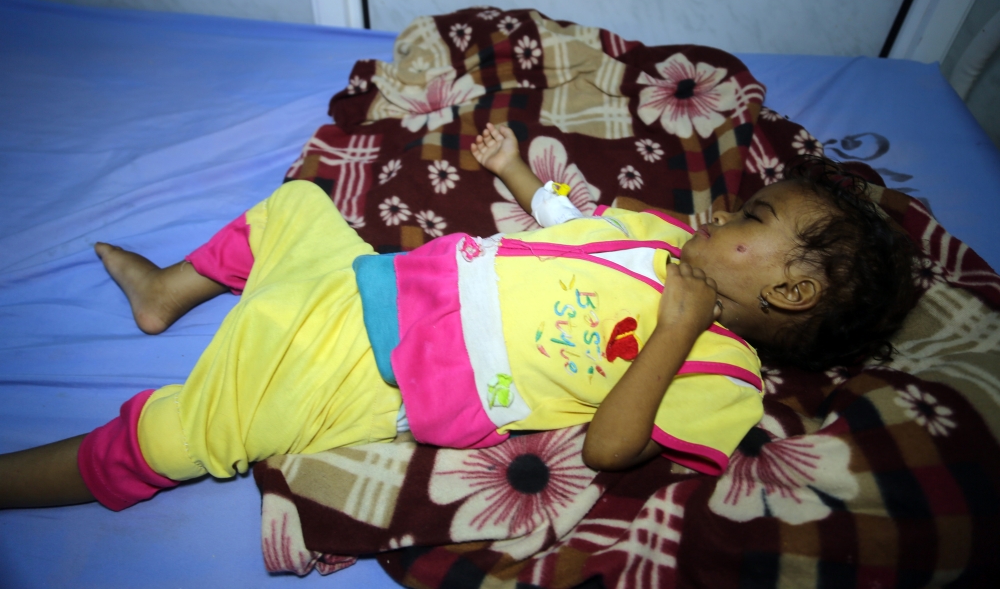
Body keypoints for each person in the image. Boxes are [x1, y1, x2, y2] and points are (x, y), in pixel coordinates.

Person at [0, 123, 917, 511]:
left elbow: (610, 449)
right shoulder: (667, 232)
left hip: (376, 374)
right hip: (383, 284)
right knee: (297, 209)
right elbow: (578, 222)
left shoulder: (723, 379)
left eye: (753, 221)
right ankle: (171, 292)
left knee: (181, 437)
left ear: (790, 294)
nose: (725, 215)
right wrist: (519, 172)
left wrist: (677, 327)